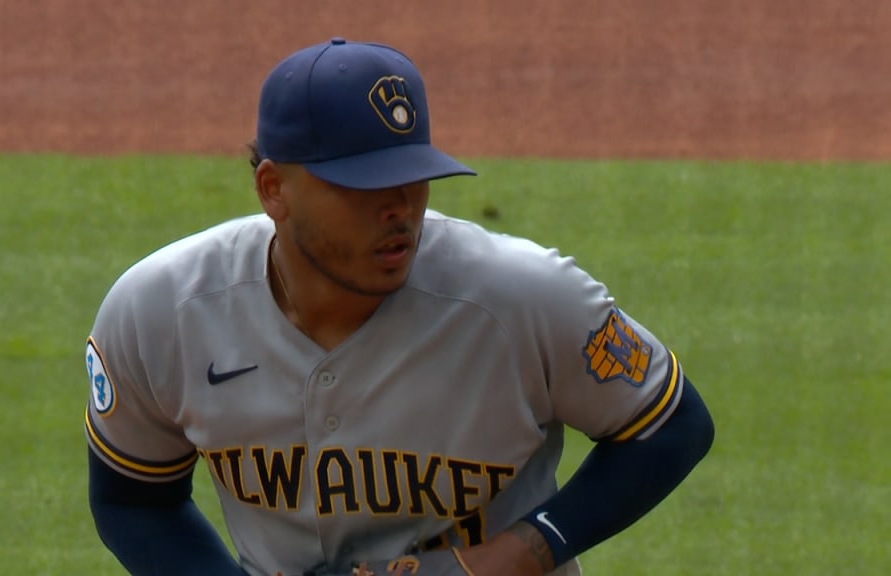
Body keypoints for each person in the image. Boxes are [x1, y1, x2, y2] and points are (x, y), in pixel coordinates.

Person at [84, 37, 715, 576]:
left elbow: (672, 424)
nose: (399, 209)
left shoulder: (521, 296)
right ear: (273, 188)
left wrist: (519, 554)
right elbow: (135, 501)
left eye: (411, 177)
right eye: (362, 184)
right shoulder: (162, 311)